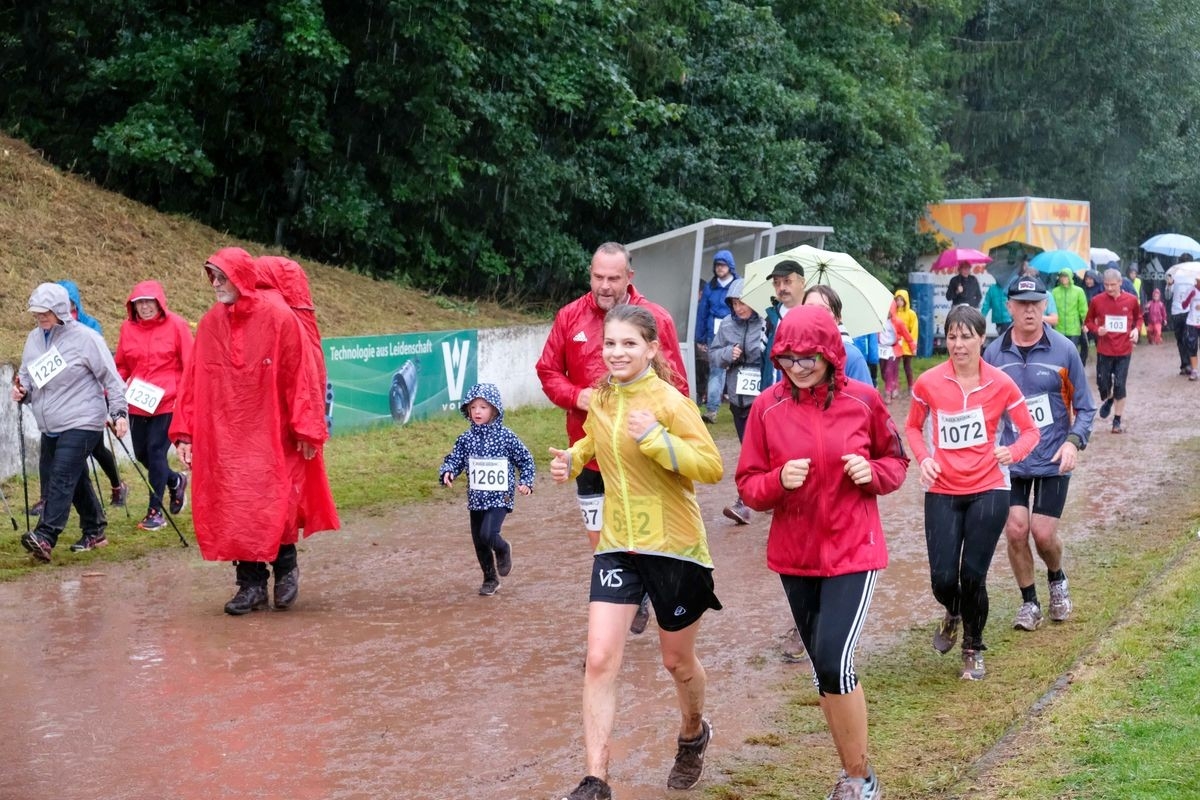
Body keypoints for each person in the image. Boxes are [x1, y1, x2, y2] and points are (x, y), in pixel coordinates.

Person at [550, 304, 723, 800]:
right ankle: (595, 779)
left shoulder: (669, 401)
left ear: (652, 348)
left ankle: (693, 733)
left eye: (629, 343)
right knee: (599, 658)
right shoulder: (601, 397)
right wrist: (573, 458)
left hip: (674, 548)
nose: (616, 352)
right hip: (618, 544)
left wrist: (658, 440)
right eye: (609, 343)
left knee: (677, 662)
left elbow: (710, 467)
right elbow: (593, 438)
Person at [735, 305, 907, 800]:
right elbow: (747, 485)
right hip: (796, 554)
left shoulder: (865, 401)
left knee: (835, 659)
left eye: (810, 356)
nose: (799, 366)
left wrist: (870, 473)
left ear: (832, 352)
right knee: (821, 667)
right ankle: (849, 771)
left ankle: (861, 778)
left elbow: (895, 461)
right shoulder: (766, 408)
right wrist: (776, 482)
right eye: (788, 357)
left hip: (854, 548)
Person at [170, 247, 334, 615]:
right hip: (226, 437)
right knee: (234, 505)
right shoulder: (211, 323)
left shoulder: (279, 318)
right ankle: (250, 584)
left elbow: (299, 376)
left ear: (240, 276)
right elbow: (194, 380)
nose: (215, 284)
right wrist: (185, 432)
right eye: (211, 276)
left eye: (221, 276)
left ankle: (286, 567)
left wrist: (307, 429)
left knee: (275, 501)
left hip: (272, 432)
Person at [536, 241, 689, 635]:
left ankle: (656, 596)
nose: (604, 286)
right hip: (589, 454)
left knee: (644, 533)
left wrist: (660, 432)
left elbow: (680, 387)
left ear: (629, 278)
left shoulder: (656, 319)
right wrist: (577, 395)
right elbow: (548, 371)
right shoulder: (570, 316)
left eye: (613, 278)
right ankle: (626, 602)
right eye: (597, 277)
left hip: (643, 456)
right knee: (600, 539)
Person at [905, 305, 1040, 680]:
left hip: (989, 488)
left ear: (983, 338)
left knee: (973, 575)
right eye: (952, 336)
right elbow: (914, 428)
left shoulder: (1001, 383)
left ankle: (973, 647)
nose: (958, 344)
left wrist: (1011, 453)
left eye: (966, 336)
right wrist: (924, 459)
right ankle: (954, 610)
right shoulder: (928, 382)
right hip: (943, 488)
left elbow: (1031, 432)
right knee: (943, 578)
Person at [983, 275, 1095, 632]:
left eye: (1036, 303)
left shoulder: (1065, 350)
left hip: (1051, 457)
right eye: (1022, 303)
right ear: (1010, 307)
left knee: (1042, 534)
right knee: (1016, 531)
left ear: (1045, 306)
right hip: (1011, 460)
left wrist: (1073, 442)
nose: (1029, 310)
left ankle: (1057, 578)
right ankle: (1029, 602)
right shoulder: (993, 354)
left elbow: (1086, 408)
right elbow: (981, 407)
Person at [12, 283, 130, 560]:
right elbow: (27, 375)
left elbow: (111, 378)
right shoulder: (34, 339)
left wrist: (119, 412)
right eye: (37, 313)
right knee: (73, 478)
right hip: (50, 423)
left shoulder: (86, 338)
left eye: (46, 312)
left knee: (61, 475)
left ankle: (45, 535)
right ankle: (95, 528)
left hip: (83, 418)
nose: (41, 317)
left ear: (61, 310)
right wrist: (21, 389)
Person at [439, 383, 536, 595]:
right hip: (476, 499)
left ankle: (503, 548)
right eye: (473, 408)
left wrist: (527, 481)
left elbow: (526, 460)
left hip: (501, 496)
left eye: (483, 407)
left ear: (494, 409)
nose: (477, 412)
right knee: (479, 540)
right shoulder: (466, 438)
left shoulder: (506, 436)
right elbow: (455, 459)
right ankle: (490, 579)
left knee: (488, 533)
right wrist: (448, 472)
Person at [113, 281, 194, 531]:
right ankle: (175, 480)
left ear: (159, 303)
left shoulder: (177, 325)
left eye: (149, 301)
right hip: (138, 402)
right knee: (142, 454)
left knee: (156, 450)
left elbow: (190, 363)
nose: (145, 307)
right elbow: (123, 364)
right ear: (133, 306)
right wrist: (112, 389)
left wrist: (185, 396)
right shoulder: (127, 328)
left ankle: (155, 510)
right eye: (140, 302)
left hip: (169, 401)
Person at [50, 280, 129, 509]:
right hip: (64, 398)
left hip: (90, 397)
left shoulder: (90, 325)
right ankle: (52, 497)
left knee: (94, 448)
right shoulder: (51, 326)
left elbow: (100, 363)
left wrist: (107, 401)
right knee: (68, 451)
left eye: (68, 300)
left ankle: (116, 485)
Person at [706, 278, 763, 525]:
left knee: (763, 451)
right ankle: (750, 500)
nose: (739, 308)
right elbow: (713, 354)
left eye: (743, 303)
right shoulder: (727, 325)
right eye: (735, 303)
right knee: (748, 451)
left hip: (763, 399)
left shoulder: (766, 323)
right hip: (738, 399)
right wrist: (729, 354)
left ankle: (748, 502)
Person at [1085, 268, 1143, 433]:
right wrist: (1097, 329)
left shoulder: (1131, 300)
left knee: (1120, 384)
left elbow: (1139, 318)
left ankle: (1116, 422)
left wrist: (1136, 330)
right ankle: (1109, 398)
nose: (1109, 288)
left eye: (1112, 285)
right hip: (1104, 349)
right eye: (1106, 285)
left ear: (1120, 283)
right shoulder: (1097, 300)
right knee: (1103, 385)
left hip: (1124, 350)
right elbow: (1088, 322)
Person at [695, 250, 738, 424]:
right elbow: (702, 312)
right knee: (716, 370)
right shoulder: (710, 287)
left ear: (730, 266)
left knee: (738, 367)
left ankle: (740, 405)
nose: (720, 268)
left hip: (735, 331)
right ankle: (712, 410)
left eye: (723, 264)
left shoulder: (738, 285)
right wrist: (700, 337)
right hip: (714, 334)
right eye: (717, 265)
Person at [802, 285, 873, 385]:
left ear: (837, 319)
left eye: (823, 310)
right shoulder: (792, 355)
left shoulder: (851, 357)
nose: (815, 314)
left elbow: (866, 399)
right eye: (809, 308)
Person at [760, 259, 806, 388]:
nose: (781, 288)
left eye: (787, 281)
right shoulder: (770, 318)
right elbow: (763, 360)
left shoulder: (816, 317)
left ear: (802, 282)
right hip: (773, 393)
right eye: (776, 283)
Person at [877, 298, 914, 403]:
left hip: (893, 349)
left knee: (890, 370)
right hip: (882, 349)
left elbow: (907, 335)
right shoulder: (879, 321)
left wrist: (912, 347)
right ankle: (894, 385)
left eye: (888, 310)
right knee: (884, 372)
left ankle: (888, 393)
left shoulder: (898, 322)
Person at [1050, 267, 1089, 364]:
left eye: (1065, 276)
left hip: (1074, 328)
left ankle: (1072, 369)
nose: (1063, 279)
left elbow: (1083, 309)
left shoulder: (1078, 291)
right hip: (1059, 327)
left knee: (1072, 351)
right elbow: (1052, 308)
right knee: (1059, 351)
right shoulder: (1055, 291)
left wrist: (1085, 324)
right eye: (1061, 276)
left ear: (1070, 277)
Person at [1169, 255, 1195, 375]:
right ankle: (1184, 365)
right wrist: (1169, 285)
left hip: (1190, 311)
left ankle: (1190, 364)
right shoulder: (1173, 274)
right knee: (1180, 339)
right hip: (1177, 311)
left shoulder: (1196, 276)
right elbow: (1168, 295)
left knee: (1188, 338)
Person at [893, 289, 919, 393]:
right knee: (895, 367)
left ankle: (910, 385)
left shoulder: (911, 314)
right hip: (896, 344)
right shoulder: (893, 314)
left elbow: (914, 329)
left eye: (901, 300)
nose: (899, 302)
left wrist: (913, 344)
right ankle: (895, 387)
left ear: (905, 300)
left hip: (907, 344)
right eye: (897, 300)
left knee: (907, 366)